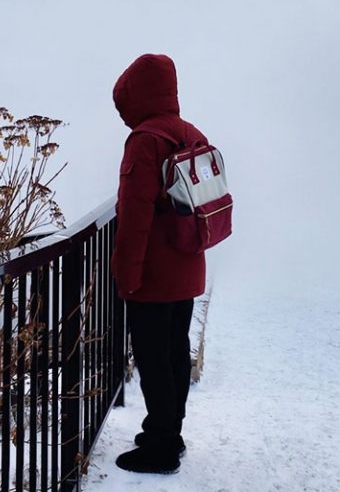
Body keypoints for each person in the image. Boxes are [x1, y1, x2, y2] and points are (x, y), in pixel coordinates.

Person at [111, 53, 208, 474]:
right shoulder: (190, 133)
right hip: (188, 263)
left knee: (152, 356)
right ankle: (170, 429)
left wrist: (126, 274)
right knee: (174, 351)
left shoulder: (145, 140)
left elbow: (135, 219)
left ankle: (161, 446)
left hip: (155, 271)